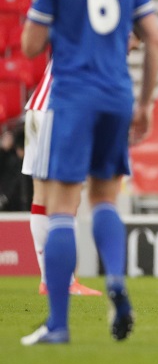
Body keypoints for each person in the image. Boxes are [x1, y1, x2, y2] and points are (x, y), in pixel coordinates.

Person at [20, 0, 158, 345]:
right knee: (105, 198)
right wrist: (144, 102)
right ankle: (116, 281)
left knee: (62, 205)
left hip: (74, 96)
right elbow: (155, 40)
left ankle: (58, 325)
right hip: (118, 95)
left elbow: (30, 46)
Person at [23, 61, 102, 297]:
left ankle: (49, 281)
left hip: (39, 106)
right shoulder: (104, 33)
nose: (132, 48)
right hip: (59, 109)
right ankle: (63, 282)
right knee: (68, 197)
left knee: (42, 195)